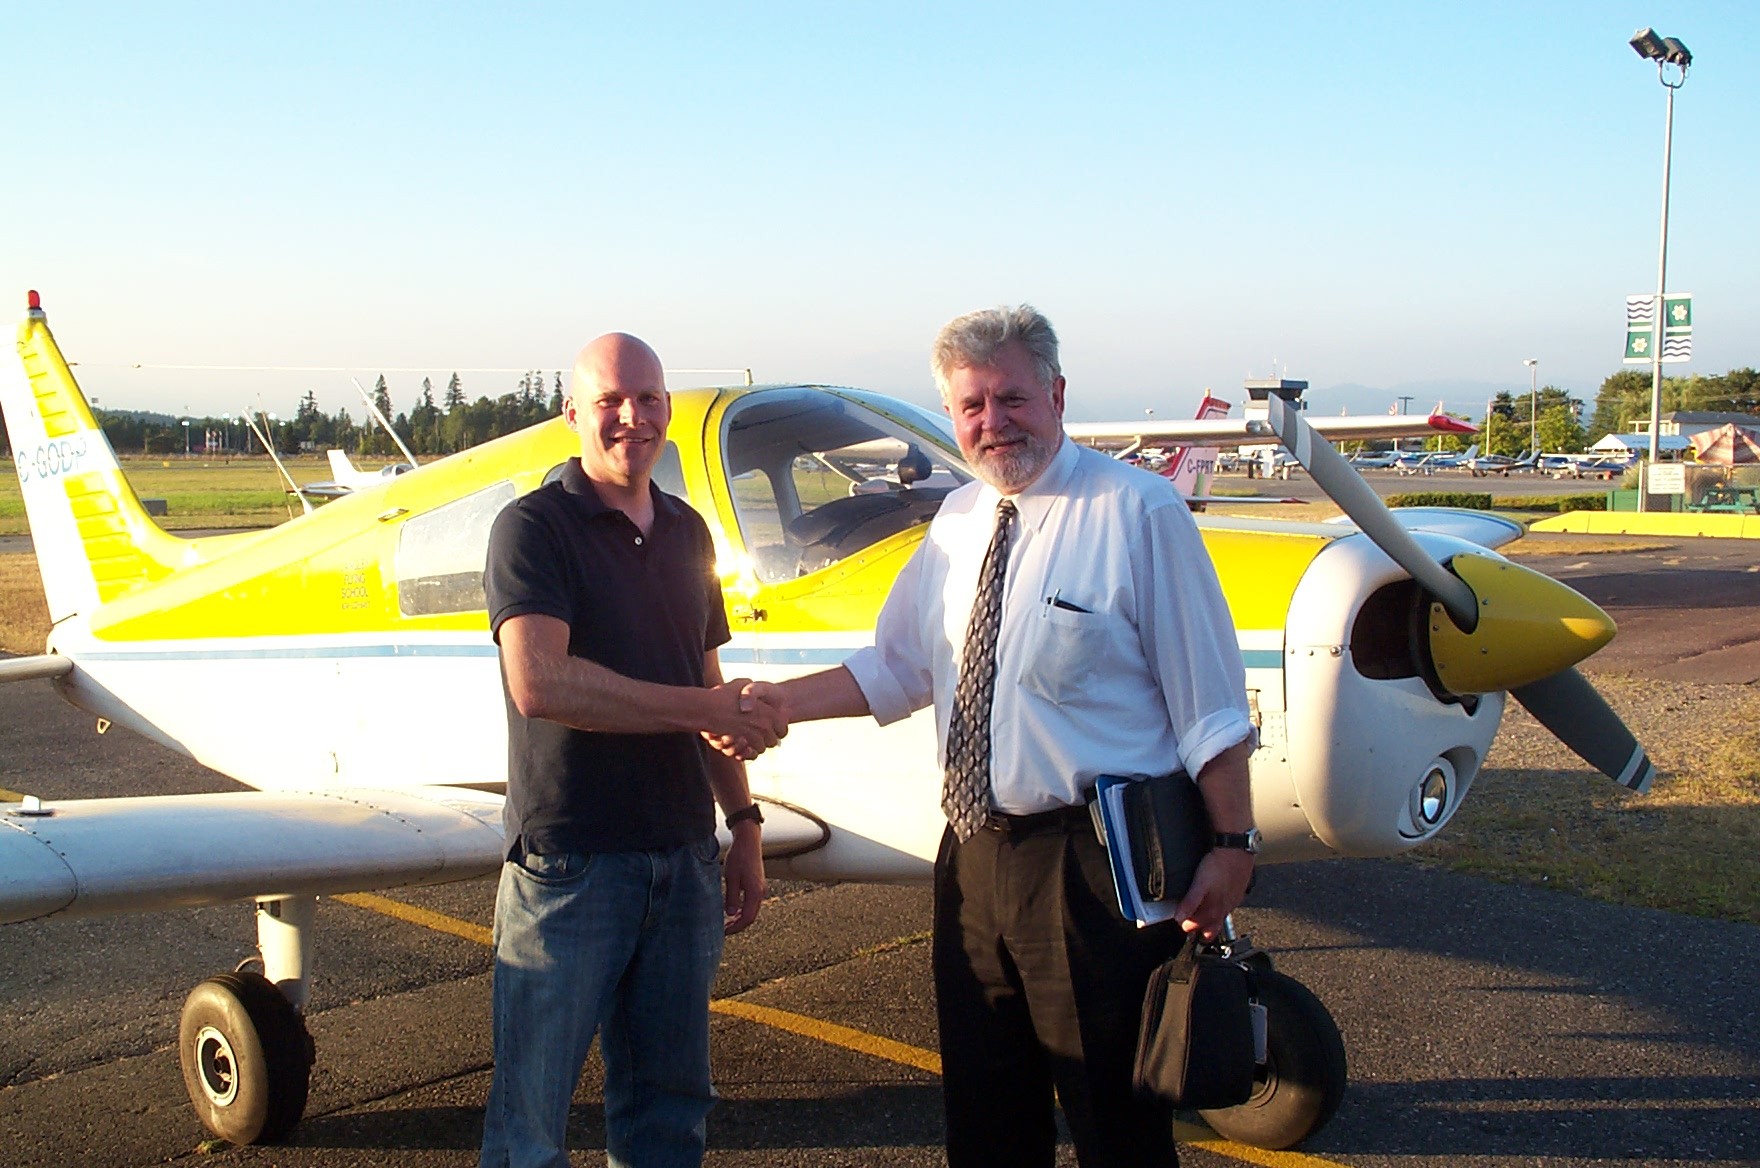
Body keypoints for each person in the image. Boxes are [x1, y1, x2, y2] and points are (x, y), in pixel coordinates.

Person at [724, 305, 1258, 1167]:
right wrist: (773, 704)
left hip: (1096, 869)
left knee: (1116, 1123)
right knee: (985, 1120)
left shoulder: (1138, 512)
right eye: (971, 407)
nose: (991, 422)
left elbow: (1210, 709)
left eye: (1010, 398)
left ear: (1055, 392)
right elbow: (897, 667)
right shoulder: (958, 523)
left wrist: (1231, 845)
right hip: (973, 858)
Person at [478, 332, 787, 1168]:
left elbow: (707, 678)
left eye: (649, 398)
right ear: (572, 413)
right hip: (572, 866)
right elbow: (542, 682)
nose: (631, 417)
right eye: (610, 400)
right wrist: (704, 707)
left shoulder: (687, 533)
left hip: (683, 859)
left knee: (669, 1114)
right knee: (529, 1125)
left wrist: (745, 821)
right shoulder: (532, 528)